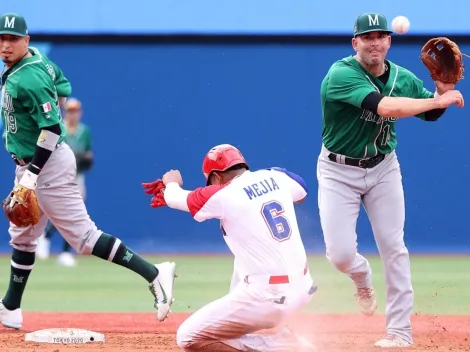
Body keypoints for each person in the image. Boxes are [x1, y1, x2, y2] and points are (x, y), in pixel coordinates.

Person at [0, 12, 176, 329]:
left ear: (26, 41)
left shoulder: (30, 76)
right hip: (32, 164)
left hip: (45, 165)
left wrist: (32, 174)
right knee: (23, 237)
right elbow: (63, 86)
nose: (5, 44)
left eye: (12, 38)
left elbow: (53, 128)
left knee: (83, 238)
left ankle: (155, 273)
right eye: (1, 38)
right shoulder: (36, 61)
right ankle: (10, 308)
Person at [317, 12, 464, 348]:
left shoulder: (401, 75)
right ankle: (360, 275)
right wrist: (437, 98)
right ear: (355, 43)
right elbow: (385, 107)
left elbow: (430, 112)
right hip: (339, 171)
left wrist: (444, 90)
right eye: (367, 37)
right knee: (339, 256)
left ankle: (399, 331)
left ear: (389, 41)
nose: (375, 42)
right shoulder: (341, 73)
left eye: (381, 36)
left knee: (394, 248)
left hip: (383, 168)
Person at [143, 144, 317, 352]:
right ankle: (280, 338)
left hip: (268, 299)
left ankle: (280, 346)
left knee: (188, 338)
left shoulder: (224, 194)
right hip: (304, 288)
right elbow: (302, 191)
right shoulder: (275, 177)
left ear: (215, 176)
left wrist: (171, 183)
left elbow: (175, 198)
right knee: (243, 252)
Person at [36, 98, 93, 267]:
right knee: (58, 211)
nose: (73, 114)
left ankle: (65, 251)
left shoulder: (85, 131)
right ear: (65, 112)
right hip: (59, 175)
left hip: (77, 176)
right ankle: (45, 235)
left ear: (80, 113)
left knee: (75, 212)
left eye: (75, 111)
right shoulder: (59, 129)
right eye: (70, 111)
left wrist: (85, 158)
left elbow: (88, 155)